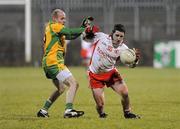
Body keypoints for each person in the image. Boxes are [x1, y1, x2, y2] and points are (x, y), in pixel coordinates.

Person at [37, 9, 91, 118]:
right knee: (73, 84)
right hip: (54, 63)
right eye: (62, 18)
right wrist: (84, 28)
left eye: (65, 18)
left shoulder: (53, 29)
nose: (64, 20)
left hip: (48, 63)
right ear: (54, 19)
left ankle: (43, 110)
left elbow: (71, 36)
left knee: (61, 88)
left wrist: (81, 27)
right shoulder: (54, 26)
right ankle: (68, 111)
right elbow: (70, 32)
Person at [83, 24, 141, 118]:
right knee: (100, 105)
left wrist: (135, 61)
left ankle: (127, 113)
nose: (119, 38)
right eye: (117, 35)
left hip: (110, 73)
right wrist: (87, 32)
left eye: (121, 36)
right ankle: (101, 114)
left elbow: (131, 66)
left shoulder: (124, 49)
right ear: (112, 34)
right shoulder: (101, 37)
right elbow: (85, 38)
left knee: (125, 93)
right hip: (95, 75)